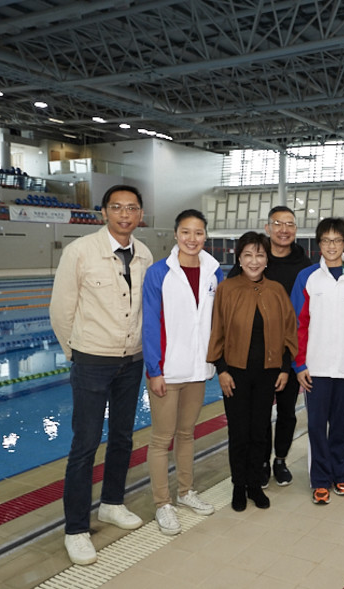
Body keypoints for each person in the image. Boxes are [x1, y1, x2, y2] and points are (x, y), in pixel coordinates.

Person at [49, 185, 153, 566]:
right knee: (86, 444)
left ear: (140, 214)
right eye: (117, 208)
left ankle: (111, 502)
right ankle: (76, 528)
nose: (125, 215)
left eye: (132, 208)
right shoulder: (80, 252)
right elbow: (61, 310)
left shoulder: (143, 253)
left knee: (123, 437)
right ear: (104, 212)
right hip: (93, 360)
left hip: (132, 360)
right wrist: (76, 353)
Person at [142, 209, 221, 536]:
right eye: (186, 232)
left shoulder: (213, 273)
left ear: (205, 236)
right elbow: (150, 323)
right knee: (162, 439)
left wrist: (212, 361)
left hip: (197, 369)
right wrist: (154, 369)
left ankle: (186, 492)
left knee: (187, 434)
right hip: (167, 371)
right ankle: (163, 503)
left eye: (198, 233)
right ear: (176, 235)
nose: (192, 239)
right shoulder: (159, 272)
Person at [207, 232, 298, 511]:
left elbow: (289, 331)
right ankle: (238, 485)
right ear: (239, 258)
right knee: (239, 432)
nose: (254, 261)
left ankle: (255, 485)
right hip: (235, 374)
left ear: (266, 259)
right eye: (248, 255)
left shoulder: (276, 291)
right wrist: (221, 370)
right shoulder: (227, 289)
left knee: (260, 431)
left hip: (267, 373)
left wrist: (284, 368)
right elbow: (217, 331)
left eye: (259, 255)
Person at [291, 218, 344, 504]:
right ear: (318, 244)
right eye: (326, 240)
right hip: (316, 367)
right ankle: (319, 479)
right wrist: (299, 365)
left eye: (337, 240)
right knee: (316, 425)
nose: (331, 246)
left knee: (340, 424)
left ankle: (340, 474)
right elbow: (297, 325)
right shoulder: (308, 277)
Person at [228, 205, 310, 486]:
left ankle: (280, 459)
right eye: (278, 223)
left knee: (287, 412)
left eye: (290, 224)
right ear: (268, 228)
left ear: (296, 230)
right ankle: (260, 461)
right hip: (253, 356)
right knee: (258, 415)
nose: (284, 229)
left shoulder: (305, 266)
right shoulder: (254, 261)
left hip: (288, 353)